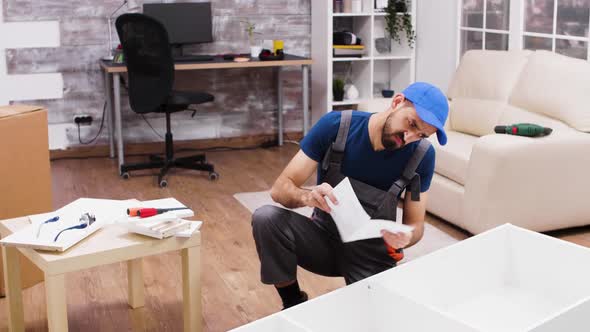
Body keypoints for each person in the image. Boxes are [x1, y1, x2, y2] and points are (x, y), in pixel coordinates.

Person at [252, 82, 449, 309]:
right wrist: (307, 197)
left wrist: (406, 237)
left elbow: (416, 225)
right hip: (322, 240)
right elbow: (280, 189)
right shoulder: (336, 127)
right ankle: (293, 302)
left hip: (372, 254)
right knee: (266, 218)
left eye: (421, 134)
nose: (408, 137)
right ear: (396, 102)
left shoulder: (422, 156)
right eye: (411, 123)